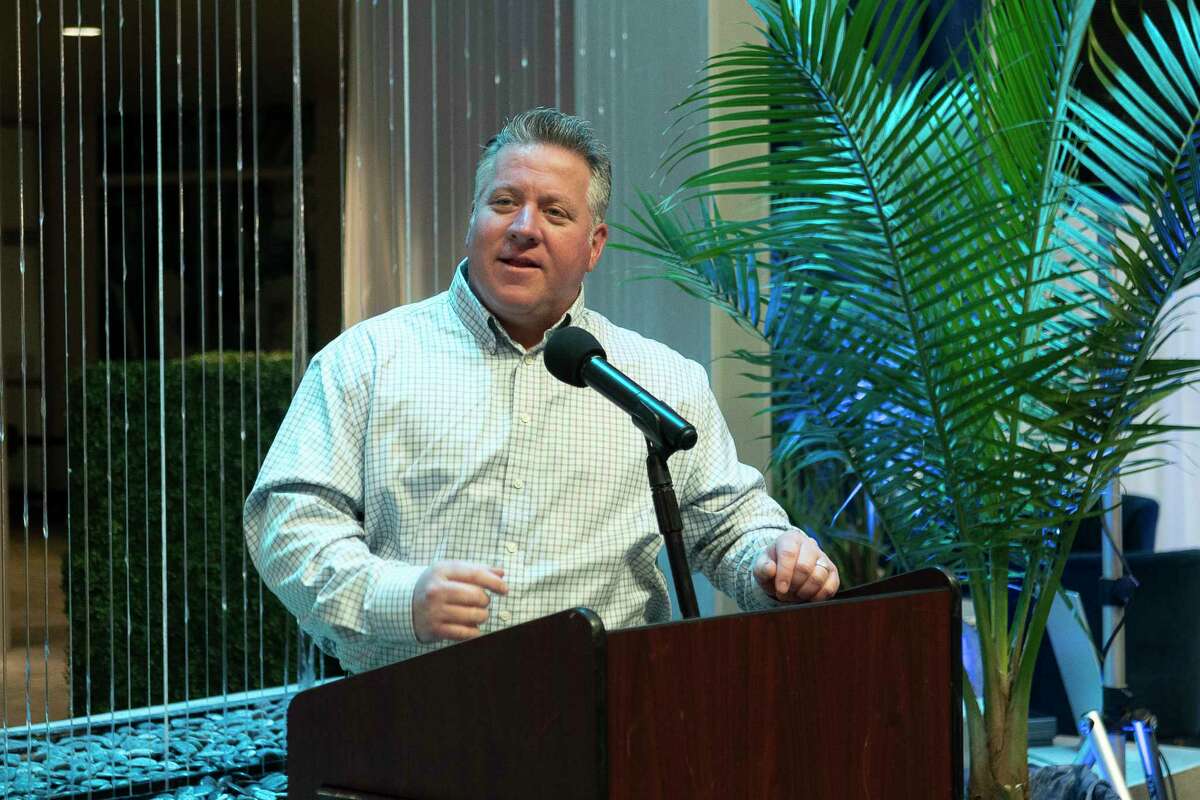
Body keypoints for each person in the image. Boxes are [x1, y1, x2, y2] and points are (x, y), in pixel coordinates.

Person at [243, 108, 839, 675]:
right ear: (474, 219)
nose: (524, 228)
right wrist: (401, 599)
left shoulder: (663, 380)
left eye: (554, 212)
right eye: (504, 203)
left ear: (594, 245)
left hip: (609, 723)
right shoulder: (367, 360)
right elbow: (290, 525)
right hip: (408, 721)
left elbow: (729, 528)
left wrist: (773, 562)